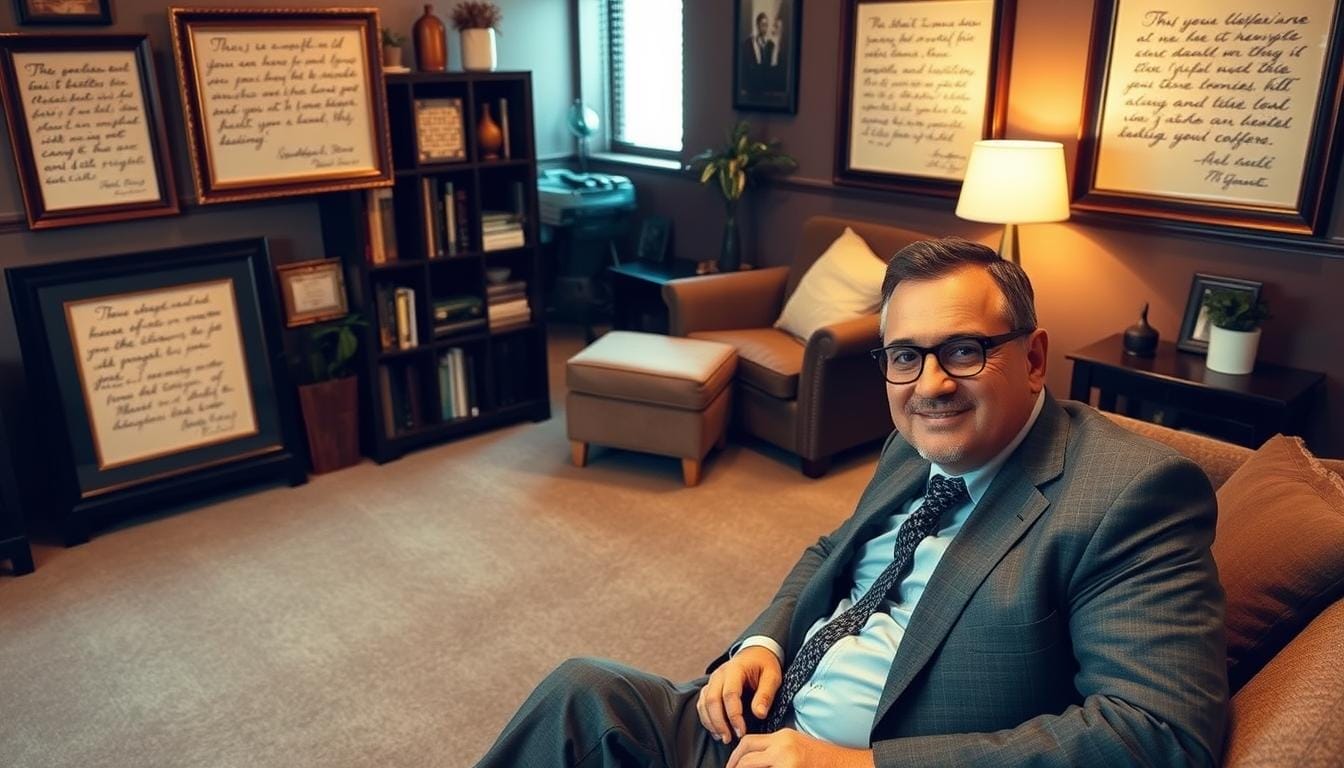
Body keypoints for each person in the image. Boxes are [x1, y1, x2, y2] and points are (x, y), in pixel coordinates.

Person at [475, 238, 1228, 767]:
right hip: (758, 728)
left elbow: (1156, 733)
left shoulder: (1132, 495)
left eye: (964, 350)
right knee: (583, 692)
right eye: (905, 356)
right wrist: (762, 644)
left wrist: (858, 767)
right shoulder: (913, 442)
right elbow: (832, 552)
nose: (931, 385)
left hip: (862, 758)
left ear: (1032, 358)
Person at [739, 12, 774, 97]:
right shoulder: (747, 44)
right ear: (757, 25)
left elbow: (769, 67)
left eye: (766, 25)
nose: (765, 28)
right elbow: (744, 67)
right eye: (763, 25)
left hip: (764, 90)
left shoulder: (770, 45)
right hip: (750, 89)